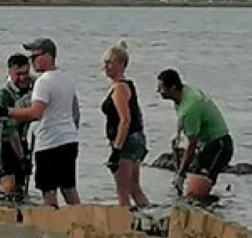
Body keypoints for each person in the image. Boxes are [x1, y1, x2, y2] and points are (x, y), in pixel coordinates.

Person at [0, 38, 80, 208]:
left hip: (49, 143)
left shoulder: (43, 81)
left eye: (35, 56)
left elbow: (35, 113)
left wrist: (6, 111)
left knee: (49, 192)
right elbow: (76, 112)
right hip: (69, 140)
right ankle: (86, 222)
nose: (32, 61)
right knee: (69, 189)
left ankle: (52, 227)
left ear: (48, 56)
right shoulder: (67, 79)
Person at [157, 69, 235, 201]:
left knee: (196, 193)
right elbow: (184, 118)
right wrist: (178, 134)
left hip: (219, 146)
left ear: (173, 87)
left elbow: (191, 145)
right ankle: (213, 206)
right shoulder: (185, 93)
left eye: (161, 88)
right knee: (194, 193)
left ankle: (214, 212)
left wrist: (181, 174)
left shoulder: (190, 107)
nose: (158, 91)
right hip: (206, 146)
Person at [101, 41, 151, 208]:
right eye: (105, 63)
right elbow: (137, 114)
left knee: (123, 191)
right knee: (134, 188)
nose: (106, 66)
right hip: (135, 139)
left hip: (126, 142)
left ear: (121, 65)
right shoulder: (128, 85)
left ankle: (125, 223)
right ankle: (148, 217)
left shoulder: (120, 88)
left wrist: (116, 149)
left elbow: (125, 120)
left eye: (109, 63)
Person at [0, 53, 34, 199]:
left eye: (26, 73)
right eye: (18, 74)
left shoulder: (33, 89)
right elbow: (11, 130)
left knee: (20, 187)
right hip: (2, 144)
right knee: (9, 185)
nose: (22, 78)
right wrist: (22, 158)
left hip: (21, 141)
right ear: (10, 73)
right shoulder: (3, 95)